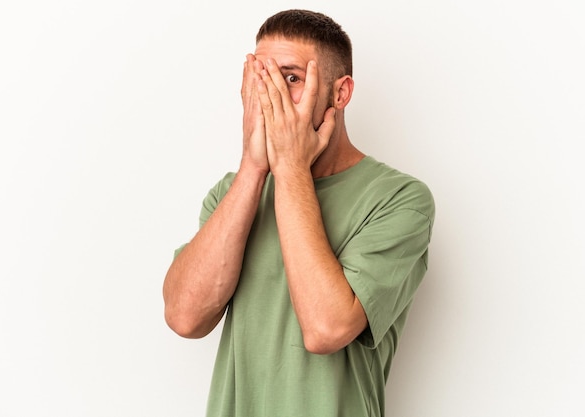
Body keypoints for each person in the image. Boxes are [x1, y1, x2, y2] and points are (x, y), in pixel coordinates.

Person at [163, 9, 435, 417]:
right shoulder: (231, 193)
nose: (270, 96)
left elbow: (326, 329)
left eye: (290, 78)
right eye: (261, 78)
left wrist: (289, 166)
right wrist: (253, 168)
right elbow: (185, 317)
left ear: (340, 94)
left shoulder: (399, 199)